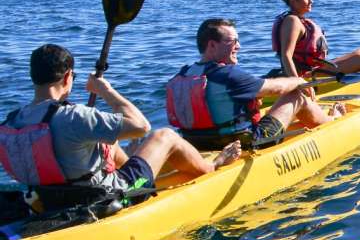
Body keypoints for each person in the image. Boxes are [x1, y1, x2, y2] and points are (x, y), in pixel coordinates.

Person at [0, 44, 239, 201]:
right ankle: (213, 166)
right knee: (163, 136)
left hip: (49, 198)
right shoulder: (74, 116)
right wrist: (105, 90)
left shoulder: (11, 122)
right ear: (67, 77)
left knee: (105, 140)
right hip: (105, 196)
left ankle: (140, 169)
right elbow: (141, 126)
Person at [166, 18, 344, 151]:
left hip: (196, 144)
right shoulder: (228, 74)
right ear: (212, 45)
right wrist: (298, 80)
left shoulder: (183, 74)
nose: (239, 46)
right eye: (233, 41)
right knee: (295, 95)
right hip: (247, 142)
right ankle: (331, 120)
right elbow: (279, 88)